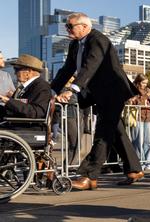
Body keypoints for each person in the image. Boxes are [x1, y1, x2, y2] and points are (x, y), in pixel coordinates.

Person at [50, 12, 143, 190]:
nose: (67, 29)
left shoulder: (98, 39)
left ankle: (89, 175)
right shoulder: (75, 45)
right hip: (99, 94)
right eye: (66, 26)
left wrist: (72, 89)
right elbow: (67, 69)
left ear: (84, 26)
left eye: (70, 26)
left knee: (103, 132)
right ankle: (134, 169)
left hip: (113, 92)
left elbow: (90, 65)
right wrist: (51, 90)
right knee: (116, 131)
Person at [0, 54, 50, 120]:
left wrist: (7, 100)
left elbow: (36, 112)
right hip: (14, 123)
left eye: (17, 69)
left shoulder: (41, 86)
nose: (15, 73)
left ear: (28, 72)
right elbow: (11, 109)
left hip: (25, 127)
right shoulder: (23, 87)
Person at [128, 74, 150, 171]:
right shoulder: (133, 90)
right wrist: (146, 96)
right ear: (138, 82)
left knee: (148, 141)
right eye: (143, 83)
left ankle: (147, 162)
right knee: (138, 141)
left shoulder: (146, 91)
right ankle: (139, 162)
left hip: (147, 118)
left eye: (146, 83)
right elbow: (137, 102)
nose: (145, 85)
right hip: (137, 117)